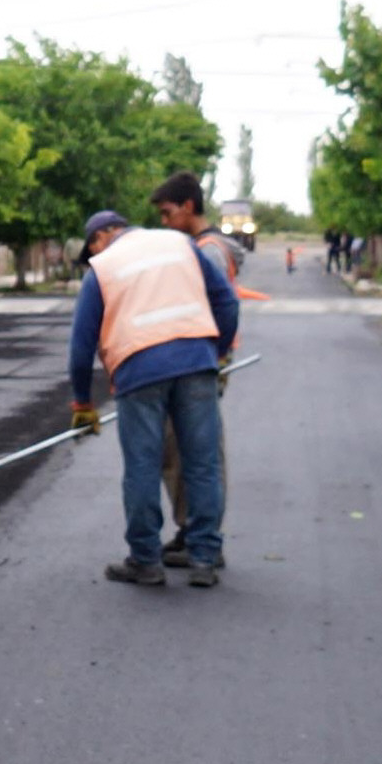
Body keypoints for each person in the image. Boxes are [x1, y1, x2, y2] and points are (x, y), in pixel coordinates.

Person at [68, 208, 239, 588]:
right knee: (202, 462)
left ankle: (145, 561)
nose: (92, 252)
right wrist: (220, 352)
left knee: (143, 465)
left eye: (92, 243)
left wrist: (82, 403)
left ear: (105, 234)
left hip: (139, 370)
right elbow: (227, 302)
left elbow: (81, 347)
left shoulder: (103, 267)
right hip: (196, 364)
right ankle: (204, 558)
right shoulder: (180, 244)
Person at [150, 172, 243, 569]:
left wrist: (215, 356)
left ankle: (204, 539)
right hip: (198, 360)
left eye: (168, 213)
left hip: (198, 363)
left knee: (197, 454)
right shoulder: (201, 247)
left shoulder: (207, 253)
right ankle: (192, 532)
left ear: (189, 206)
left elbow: (219, 307)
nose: (165, 222)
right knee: (181, 453)